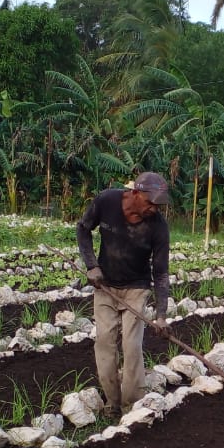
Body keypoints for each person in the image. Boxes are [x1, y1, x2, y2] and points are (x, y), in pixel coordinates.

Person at [76, 171, 171, 417]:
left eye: (158, 205)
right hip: (105, 286)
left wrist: (161, 316)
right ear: (135, 193)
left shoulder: (158, 227)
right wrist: (92, 266)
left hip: (136, 289)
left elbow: (160, 273)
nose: (153, 209)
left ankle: (132, 406)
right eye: (150, 203)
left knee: (131, 346)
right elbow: (83, 229)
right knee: (105, 343)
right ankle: (112, 403)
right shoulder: (106, 201)